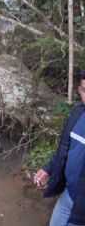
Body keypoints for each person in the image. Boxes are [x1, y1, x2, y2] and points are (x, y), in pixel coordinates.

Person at [34, 72, 85, 226]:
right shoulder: (77, 113)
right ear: (79, 90)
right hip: (68, 195)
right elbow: (64, 149)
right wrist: (48, 169)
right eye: (84, 90)